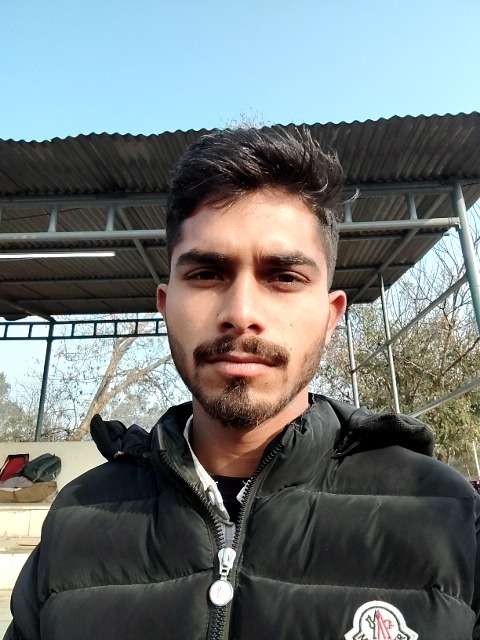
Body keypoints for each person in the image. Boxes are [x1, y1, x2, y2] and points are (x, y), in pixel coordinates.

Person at [5, 127, 480, 640]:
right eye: (207, 274)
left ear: (330, 316)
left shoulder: (447, 515)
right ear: (165, 306)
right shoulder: (76, 519)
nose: (241, 312)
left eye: (284, 277)